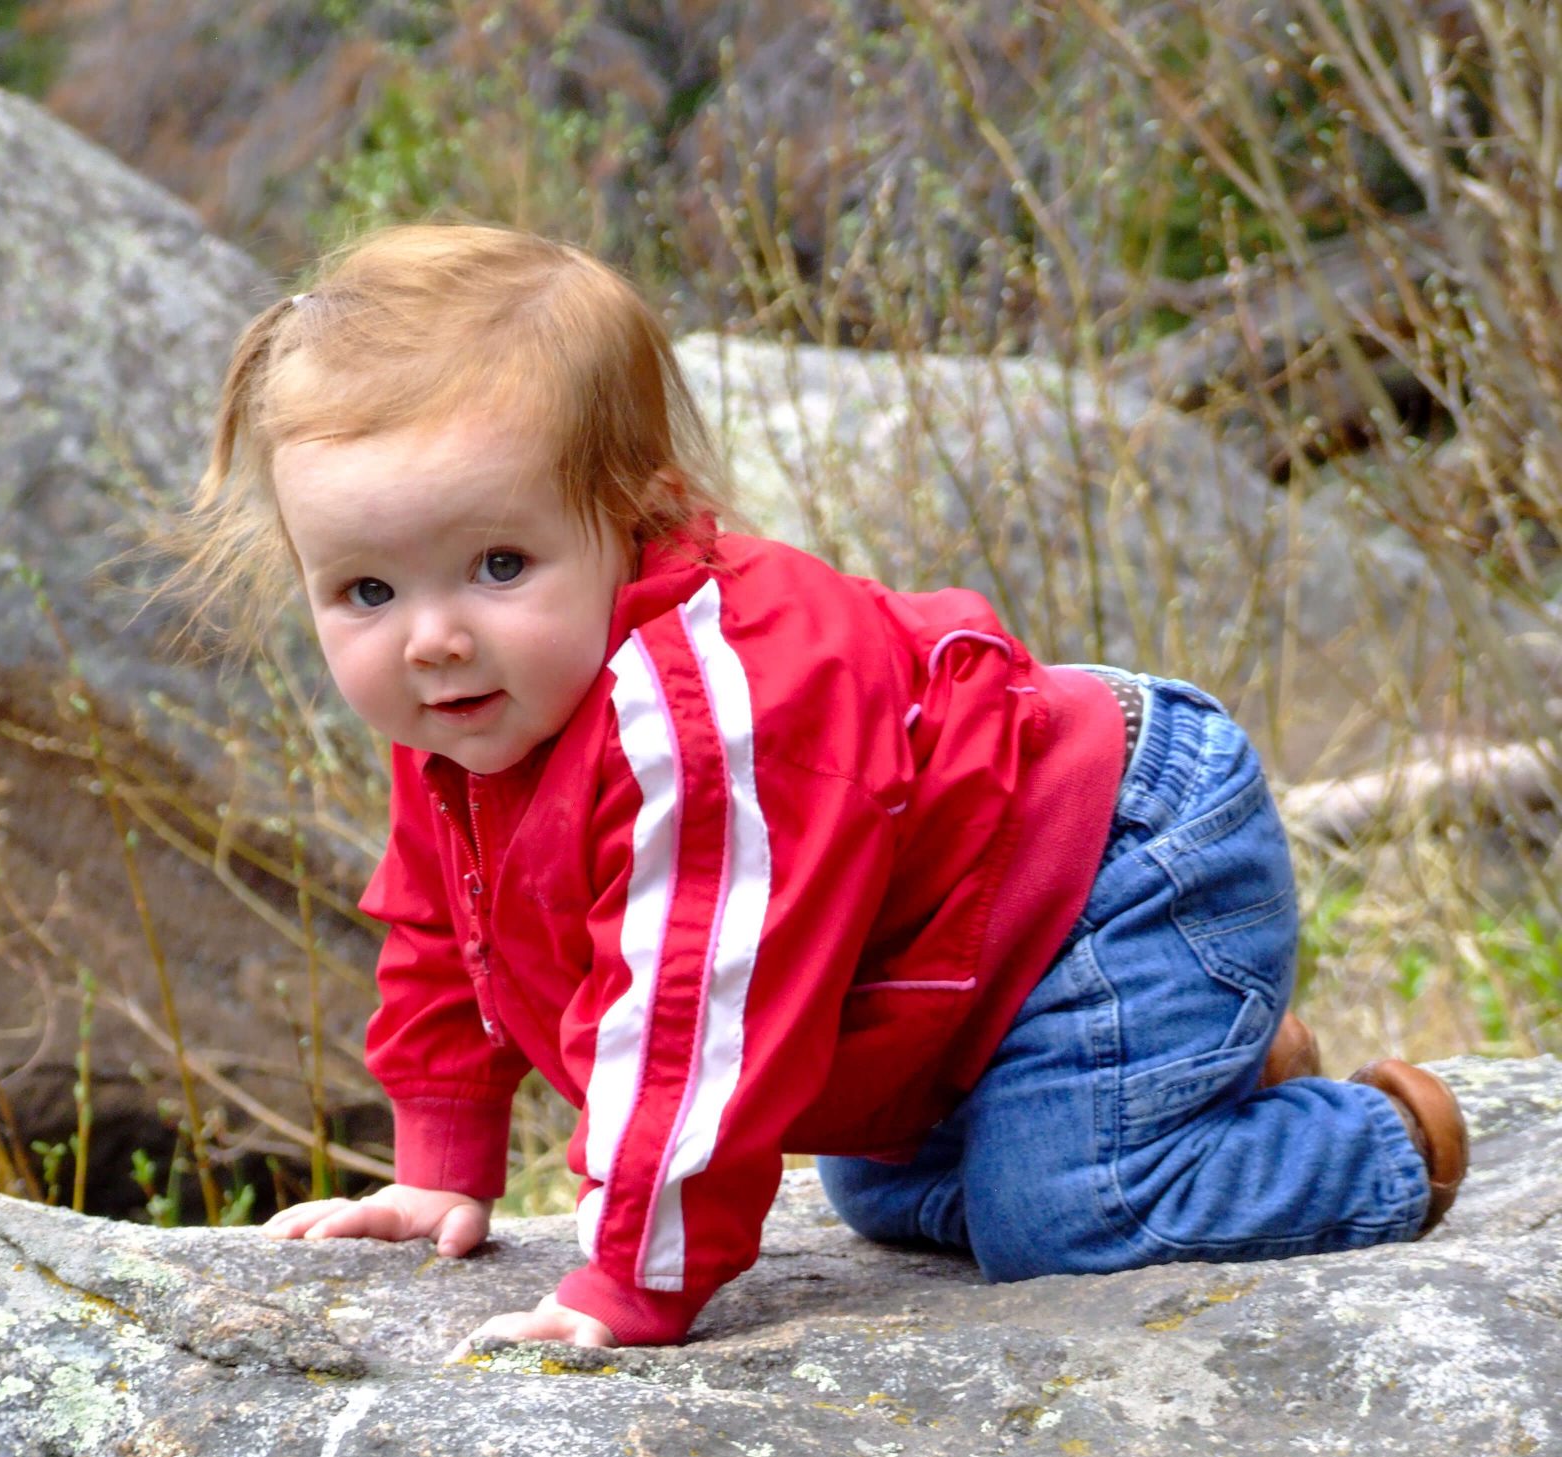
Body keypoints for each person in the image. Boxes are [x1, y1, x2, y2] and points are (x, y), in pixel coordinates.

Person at [162, 222, 1468, 1350]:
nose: (432, 635)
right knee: (881, 1199)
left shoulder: (701, 716)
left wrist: (635, 1278)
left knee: (1069, 1222)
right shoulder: (471, 707)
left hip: (1115, 865)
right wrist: (441, 1167)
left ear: (638, 514)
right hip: (961, 960)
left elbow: (695, 1001)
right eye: (367, 592)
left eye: (499, 563)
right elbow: (447, 930)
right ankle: (1187, 1076)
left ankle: (1377, 1143)